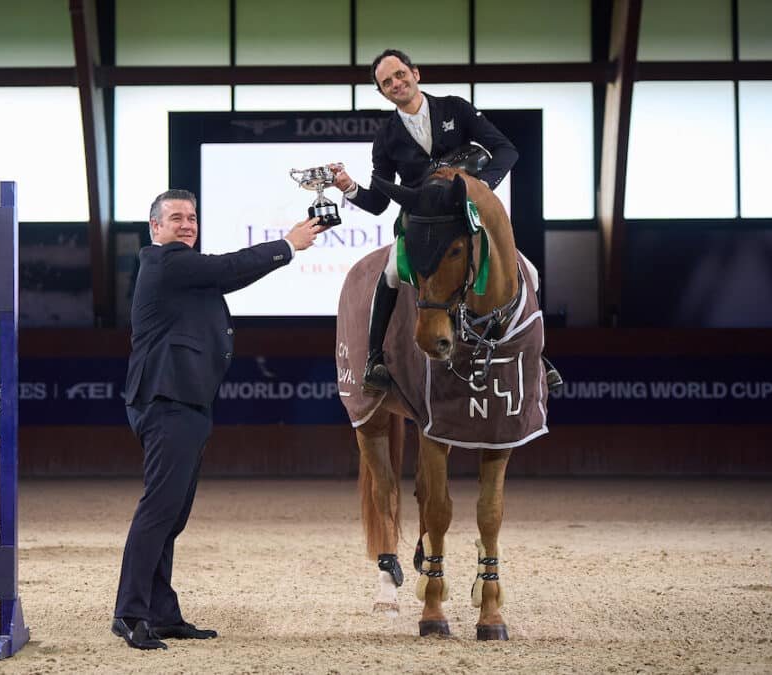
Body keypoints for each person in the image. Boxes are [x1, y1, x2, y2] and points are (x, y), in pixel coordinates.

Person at [112, 189, 323, 650]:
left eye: (191, 217)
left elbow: (229, 277)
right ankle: (129, 614)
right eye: (175, 218)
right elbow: (228, 269)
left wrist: (281, 253)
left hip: (185, 402)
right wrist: (286, 245)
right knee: (159, 511)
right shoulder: (166, 262)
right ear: (155, 228)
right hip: (167, 401)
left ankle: (162, 613)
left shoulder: (185, 271)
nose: (186, 224)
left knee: (171, 515)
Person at [330, 48, 561, 393]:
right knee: (392, 270)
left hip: (466, 211)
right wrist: (349, 188)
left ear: (415, 74)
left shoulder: (455, 108)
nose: (396, 83)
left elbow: (506, 149)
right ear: (382, 92)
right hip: (422, 221)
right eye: (387, 82)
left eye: (400, 75)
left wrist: (482, 185)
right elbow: (379, 203)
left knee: (528, 269)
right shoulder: (386, 136)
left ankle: (537, 354)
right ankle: (375, 358)